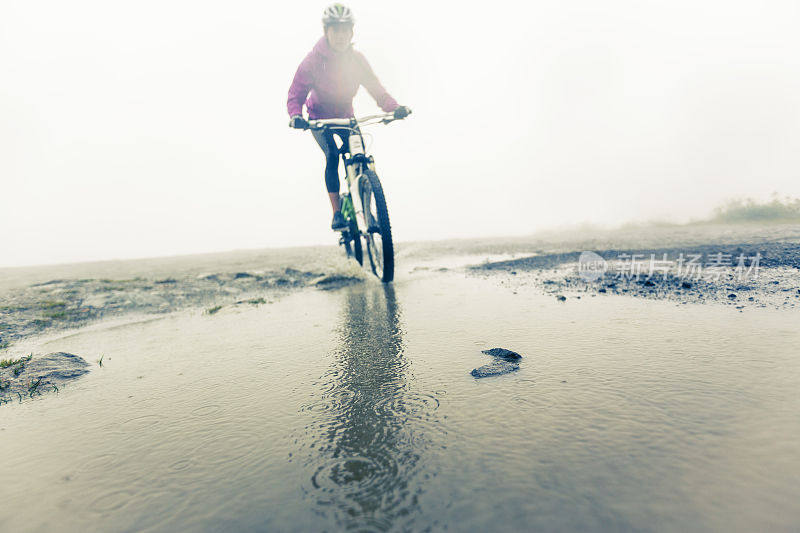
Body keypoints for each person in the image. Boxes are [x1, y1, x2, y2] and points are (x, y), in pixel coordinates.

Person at [287, 3, 411, 230]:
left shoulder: (357, 60)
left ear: (352, 32)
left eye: (345, 30)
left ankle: (366, 209)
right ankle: (337, 214)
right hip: (319, 119)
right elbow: (295, 93)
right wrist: (296, 115)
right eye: (336, 30)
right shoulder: (313, 61)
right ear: (327, 32)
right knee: (332, 155)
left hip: (346, 117)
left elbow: (377, 89)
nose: (341, 35)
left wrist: (394, 108)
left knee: (361, 157)